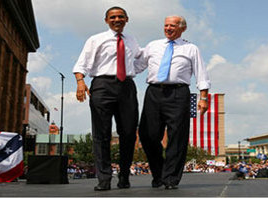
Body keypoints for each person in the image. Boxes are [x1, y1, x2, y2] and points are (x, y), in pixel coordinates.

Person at [135, 15, 210, 190]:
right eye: (166, 25)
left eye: (173, 25)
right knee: (147, 135)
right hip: (153, 92)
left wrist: (204, 98)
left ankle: (170, 178)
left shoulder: (191, 48)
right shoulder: (153, 45)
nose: (168, 28)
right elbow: (137, 66)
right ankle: (159, 171)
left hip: (179, 93)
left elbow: (201, 74)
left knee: (177, 137)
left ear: (182, 28)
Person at [72, 6, 140, 191]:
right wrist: (80, 82)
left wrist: (133, 72)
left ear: (127, 19)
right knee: (101, 134)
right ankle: (104, 178)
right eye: (112, 17)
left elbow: (140, 59)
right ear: (106, 20)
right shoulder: (96, 39)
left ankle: (124, 175)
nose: (116, 19)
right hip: (102, 86)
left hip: (126, 87)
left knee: (128, 133)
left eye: (120, 16)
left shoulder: (132, 41)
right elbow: (81, 64)